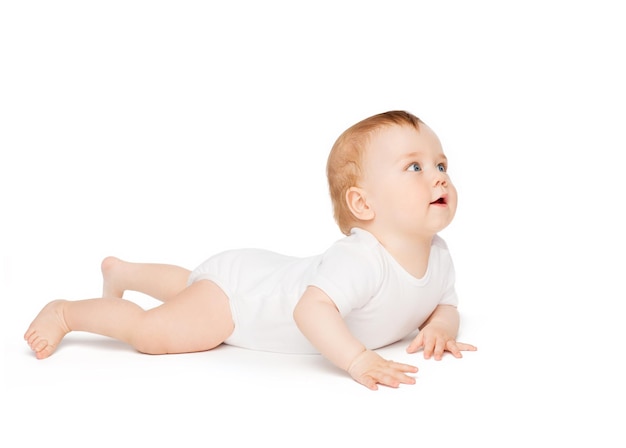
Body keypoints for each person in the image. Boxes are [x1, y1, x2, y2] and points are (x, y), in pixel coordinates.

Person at [24, 110, 476, 390]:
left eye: (441, 164)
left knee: (193, 284)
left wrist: (441, 326)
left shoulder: (438, 254)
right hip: (242, 305)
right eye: (414, 167)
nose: (438, 176)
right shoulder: (362, 258)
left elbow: (444, 302)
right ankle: (66, 313)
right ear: (362, 203)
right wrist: (356, 359)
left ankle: (122, 272)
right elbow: (310, 312)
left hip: (255, 276)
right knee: (157, 333)